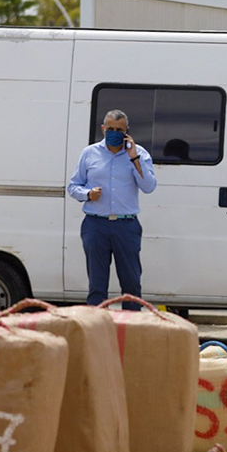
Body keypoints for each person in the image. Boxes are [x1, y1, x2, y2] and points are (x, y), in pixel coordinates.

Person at [67, 109, 157, 310]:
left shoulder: (139, 154)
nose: (114, 133)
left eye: (119, 129)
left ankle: (131, 331)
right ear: (103, 129)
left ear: (127, 131)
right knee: (97, 285)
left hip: (126, 225)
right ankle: (97, 330)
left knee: (131, 283)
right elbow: (73, 187)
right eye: (110, 129)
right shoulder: (89, 153)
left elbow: (149, 187)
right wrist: (88, 194)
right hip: (95, 224)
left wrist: (134, 158)